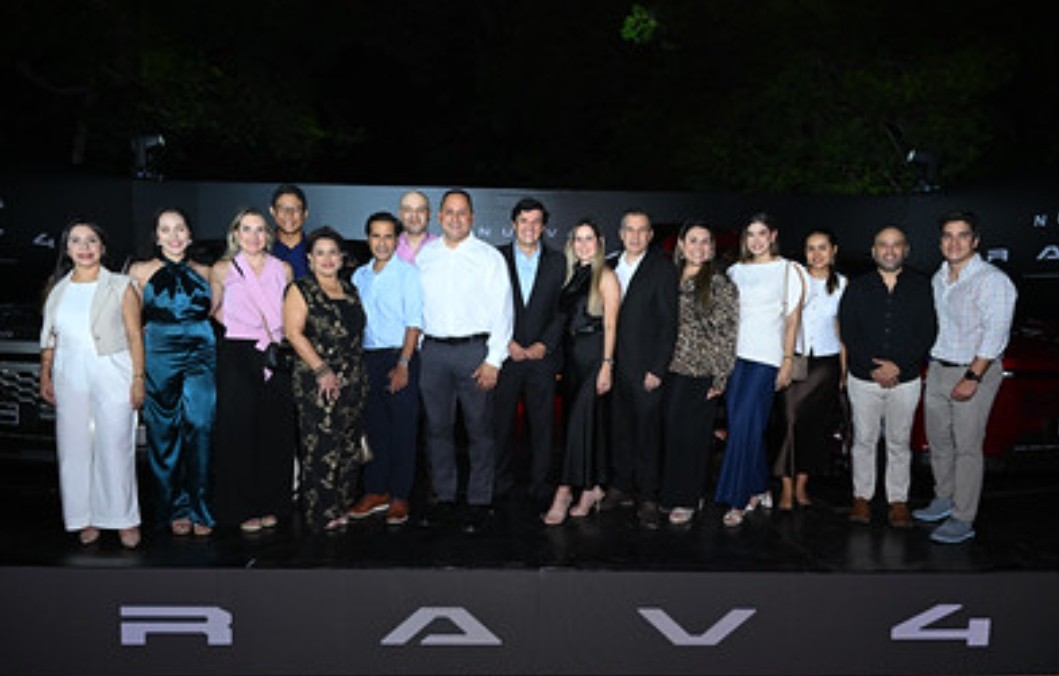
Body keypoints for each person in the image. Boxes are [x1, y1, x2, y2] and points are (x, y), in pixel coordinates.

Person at [39, 220, 145, 548]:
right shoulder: (57, 288)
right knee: (74, 447)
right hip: (68, 370)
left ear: (102, 247)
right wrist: (45, 373)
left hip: (112, 367)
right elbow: (49, 337)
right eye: (76, 241)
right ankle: (83, 517)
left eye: (91, 240)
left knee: (115, 444)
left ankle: (123, 518)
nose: (84, 247)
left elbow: (134, 335)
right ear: (67, 248)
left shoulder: (121, 285)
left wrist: (138, 378)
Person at [915, 211, 1017, 544]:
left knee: (967, 447)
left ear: (975, 241)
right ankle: (944, 498)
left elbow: (995, 334)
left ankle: (963, 516)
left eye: (962, 235)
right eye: (948, 235)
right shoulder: (939, 277)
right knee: (939, 442)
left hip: (974, 370)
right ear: (940, 241)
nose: (954, 242)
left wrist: (972, 376)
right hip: (939, 368)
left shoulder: (992, 280)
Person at [415, 189, 513, 533]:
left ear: (472, 218)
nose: (455, 218)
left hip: (475, 352)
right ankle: (444, 496)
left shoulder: (488, 257)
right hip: (433, 353)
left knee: (479, 429)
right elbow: (415, 307)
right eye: (449, 212)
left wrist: (494, 359)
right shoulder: (425, 257)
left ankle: (479, 500)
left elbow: (503, 311)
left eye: (462, 212)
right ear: (439, 217)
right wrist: (420, 349)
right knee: (437, 429)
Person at [838, 226, 936, 528]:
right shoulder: (857, 287)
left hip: (905, 380)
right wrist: (873, 367)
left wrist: (899, 366)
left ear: (906, 250)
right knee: (863, 440)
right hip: (863, 378)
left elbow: (928, 331)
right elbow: (848, 331)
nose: (890, 250)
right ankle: (861, 498)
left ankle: (898, 501)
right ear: (874, 251)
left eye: (896, 245)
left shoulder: (922, 286)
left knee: (899, 442)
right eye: (883, 244)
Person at [127, 208, 216, 537]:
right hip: (159, 352)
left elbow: (218, 312)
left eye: (180, 228)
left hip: (201, 351)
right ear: (157, 236)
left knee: (201, 426)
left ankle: (200, 506)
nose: (174, 236)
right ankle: (174, 507)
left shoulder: (207, 271)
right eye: (166, 229)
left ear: (190, 234)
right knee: (163, 431)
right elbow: (131, 322)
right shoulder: (139, 271)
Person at [715, 212, 805, 527]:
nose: (756, 240)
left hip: (767, 358)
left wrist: (787, 361)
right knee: (743, 426)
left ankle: (738, 499)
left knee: (744, 424)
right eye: (750, 234)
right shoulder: (735, 271)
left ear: (773, 235)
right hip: (735, 358)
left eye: (761, 233)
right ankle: (758, 485)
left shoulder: (789, 270)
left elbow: (792, 321)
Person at [209, 207, 296, 533]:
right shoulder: (222, 268)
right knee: (238, 432)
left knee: (276, 431)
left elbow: (291, 310)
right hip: (237, 353)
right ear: (236, 234)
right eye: (246, 229)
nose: (253, 236)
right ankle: (242, 508)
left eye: (260, 229)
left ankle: (273, 503)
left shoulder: (282, 268)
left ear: (268, 235)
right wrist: (240, 325)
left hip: (275, 353)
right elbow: (213, 309)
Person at [283, 227, 370, 532]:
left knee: (348, 446)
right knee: (321, 446)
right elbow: (293, 333)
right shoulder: (301, 289)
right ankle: (320, 513)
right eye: (320, 253)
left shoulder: (350, 289)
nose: (327, 258)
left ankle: (341, 505)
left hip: (354, 378)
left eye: (333, 252)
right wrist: (322, 370)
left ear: (342, 257)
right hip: (317, 379)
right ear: (309, 258)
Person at [601, 209, 678, 529]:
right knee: (618, 429)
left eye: (641, 230)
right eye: (629, 230)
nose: (635, 236)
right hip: (613, 365)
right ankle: (621, 485)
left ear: (650, 235)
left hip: (646, 367)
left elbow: (669, 323)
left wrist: (658, 368)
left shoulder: (662, 269)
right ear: (621, 234)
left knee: (647, 434)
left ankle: (648, 496)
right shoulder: (608, 266)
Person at [659, 222, 739, 526]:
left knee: (692, 437)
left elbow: (727, 333)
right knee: (672, 434)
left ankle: (688, 499)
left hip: (701, 371)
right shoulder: (670, 277)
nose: (699, 247)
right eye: (693, 240)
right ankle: (675, 492)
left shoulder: (720, 283)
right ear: (681, 244)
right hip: (670, 368)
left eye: (705, 241)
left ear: (712, 247)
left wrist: (720, 378)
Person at [542, 220, 620, 525]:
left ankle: (564, 491)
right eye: (578, 239)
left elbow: (611, 325)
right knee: (586, 426)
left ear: (599, 242)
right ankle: (592, 488)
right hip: (571, 357)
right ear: (572, 243)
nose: (584, 244)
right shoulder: (571, 275)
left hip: (594, 355)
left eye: (589, 239)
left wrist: (607, 365)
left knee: (579, 425)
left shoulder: (607, 276)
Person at [349, 212, 423, 526]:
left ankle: (400, 496)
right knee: (374, 428)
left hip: (399, 357)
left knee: (402, 430)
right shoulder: (359, 276)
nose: (382, 243)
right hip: (368, 359)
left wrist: (403, 364)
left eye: (388, 236)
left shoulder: (408, 274)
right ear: (368, 239)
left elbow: (414, 322)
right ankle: (376, 491)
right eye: (376, 236)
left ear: (397, 240)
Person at [493, 197, 566, 508]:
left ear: (544, 227)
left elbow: (562, 310)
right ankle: (499, 481)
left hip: (541, 359)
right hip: (505, 356)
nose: (529, 227)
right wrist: (505, 341)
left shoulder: (559, 261)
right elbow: (487, 304)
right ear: (513, 224)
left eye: (536, 222)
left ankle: (540, 484)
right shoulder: (496, 258)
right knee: (500, 425)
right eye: (524, 221)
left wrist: (544, 345)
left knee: (542, 426)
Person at [773, 229, 847, 511]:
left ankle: (802, 486)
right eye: (810, 248)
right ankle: (785, 487)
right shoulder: (793, 279)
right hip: (795, 359)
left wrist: (843, 372)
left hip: (826, 364)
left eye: (822, 247)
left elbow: (842, 331)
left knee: (815, 427)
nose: (816, 254)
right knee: (789, 421)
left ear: (833, 250)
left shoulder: (843, 284)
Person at [269, 184, 310, 279]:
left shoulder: (317, 252)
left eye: (296, 209)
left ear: (305, 214)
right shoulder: (261, 251)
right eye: (282, 209)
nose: (289, 215)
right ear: (272, 212)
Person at [396, 190, 438, 264]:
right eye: (408, 210)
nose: (414, 215)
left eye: (420, 210)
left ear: (429, 214)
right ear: (400, 214)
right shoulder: (390, 247)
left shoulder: (441, 247)